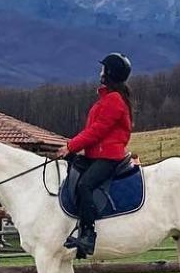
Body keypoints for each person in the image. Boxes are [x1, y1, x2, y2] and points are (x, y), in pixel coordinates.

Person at [56, 52, 134, 258]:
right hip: (97, 154)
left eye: (103, 69)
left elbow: (97, 130)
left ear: (109, 73)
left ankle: (88, 235)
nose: (100, 72)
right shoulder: (108, 98)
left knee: (85, 185)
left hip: (109, 156)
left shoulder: (114, 100)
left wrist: (71, 146)